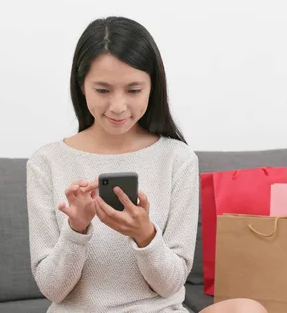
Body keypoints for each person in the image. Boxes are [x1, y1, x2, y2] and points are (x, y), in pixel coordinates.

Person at [25, 16, 267, 313]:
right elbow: (53, 290)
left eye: (133, 90)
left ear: (152, 86)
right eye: (102, 90)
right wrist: (76, 229)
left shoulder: (178, 160)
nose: (117, 106)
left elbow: (170, 284)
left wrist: (145, 235)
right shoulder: (46, 162)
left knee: (246, 308)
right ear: (81, 85)